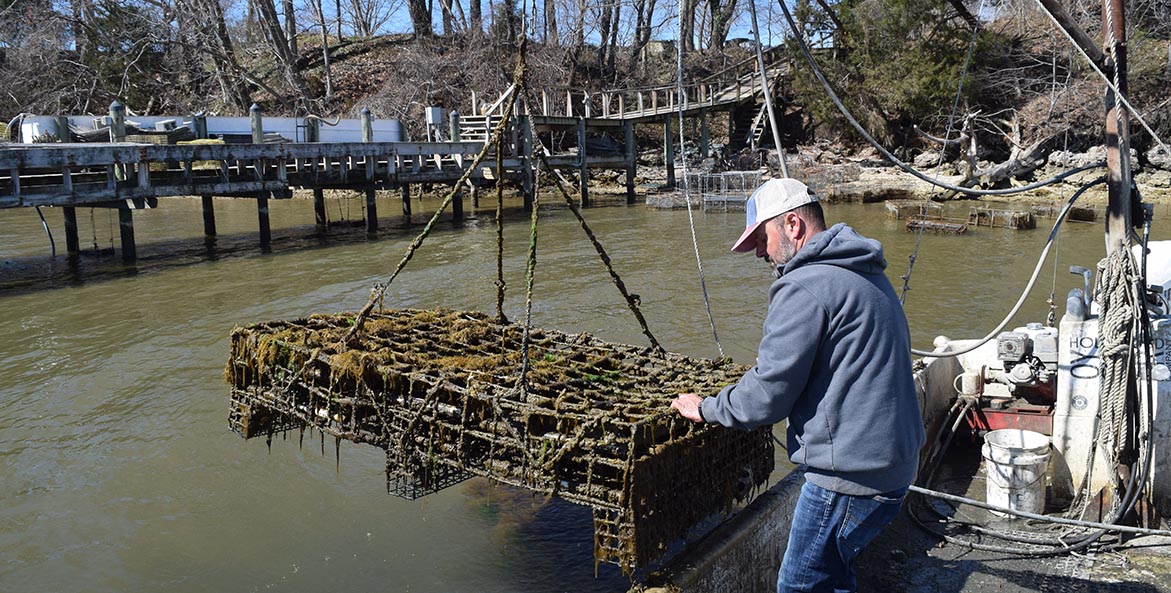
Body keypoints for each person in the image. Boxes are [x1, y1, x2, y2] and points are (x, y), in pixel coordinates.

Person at [670, 178, 924, 593]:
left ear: (792, 225)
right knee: (835, 576)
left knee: (799, 585)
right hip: (894, 467)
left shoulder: (804, 284)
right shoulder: (862, 269)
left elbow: (767, 396)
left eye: (760, 238)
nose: (757, 252)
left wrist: (708, 407)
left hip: (850, 480)